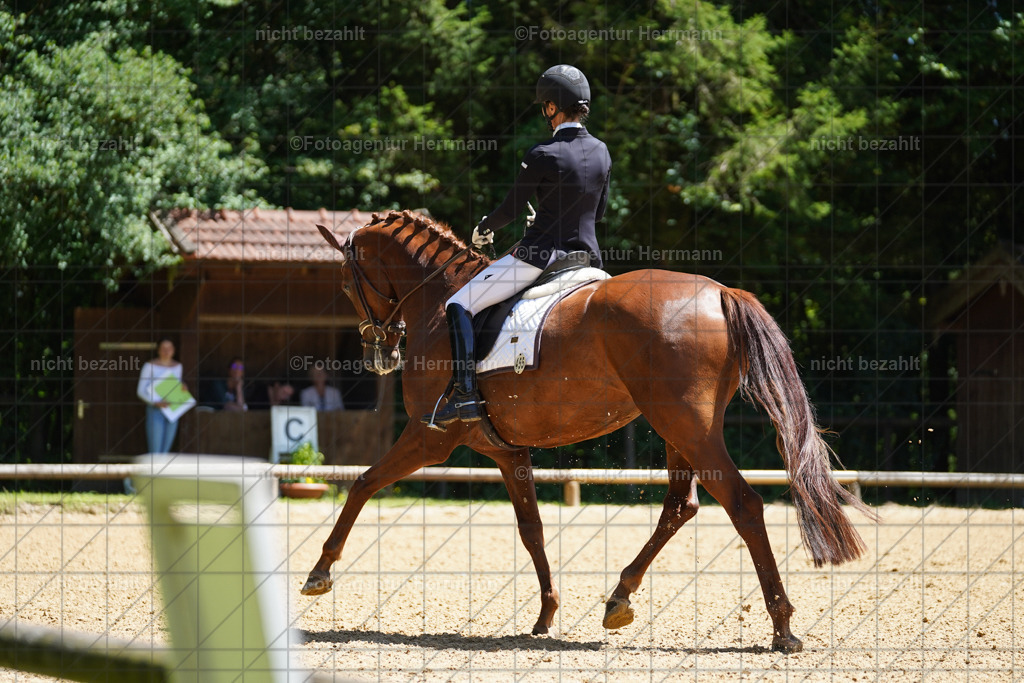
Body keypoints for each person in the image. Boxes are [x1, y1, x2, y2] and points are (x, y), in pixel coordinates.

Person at [422, 64, 612, 429]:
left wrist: (484, 228)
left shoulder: (543, 152)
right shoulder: (602, 151)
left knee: (458, 303)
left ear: (553, 107)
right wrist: (544, 217)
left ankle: (464, 394)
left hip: (541, 257)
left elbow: (509, 209)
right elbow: (598, 211)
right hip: (588, 258)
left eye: (545, 107)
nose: (545, 113)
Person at [136, 338, 186, 453]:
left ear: (173, 350)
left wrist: (183, 387)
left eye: (169, 348)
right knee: (155, 450)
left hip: (172, 410)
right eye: (163, 348)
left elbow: (176, 384)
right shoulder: (149, 366)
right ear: (158, 350)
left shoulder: (178, 366)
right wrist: (155, 403)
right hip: (155, 409)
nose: (166, 351)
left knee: (165, 451)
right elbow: (140, 391)